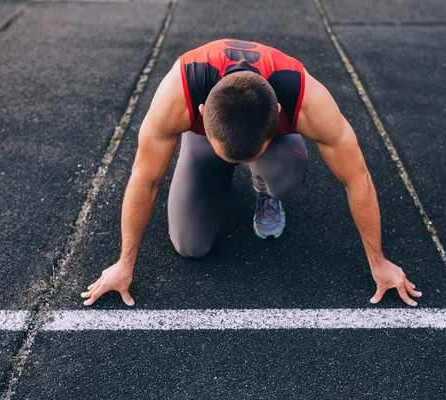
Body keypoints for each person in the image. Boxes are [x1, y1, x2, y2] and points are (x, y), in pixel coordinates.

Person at [81, 39, 422, 307]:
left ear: (277, 114)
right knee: (190, 245)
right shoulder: (178, 94)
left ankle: (263, 187)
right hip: (210, 140)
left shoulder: (307, 100)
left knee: (285, 175)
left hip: (269, 146)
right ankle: (216, 166)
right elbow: (146, 177)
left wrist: (379, 262)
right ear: (199, 113)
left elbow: (356, 177)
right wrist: (124, 264)